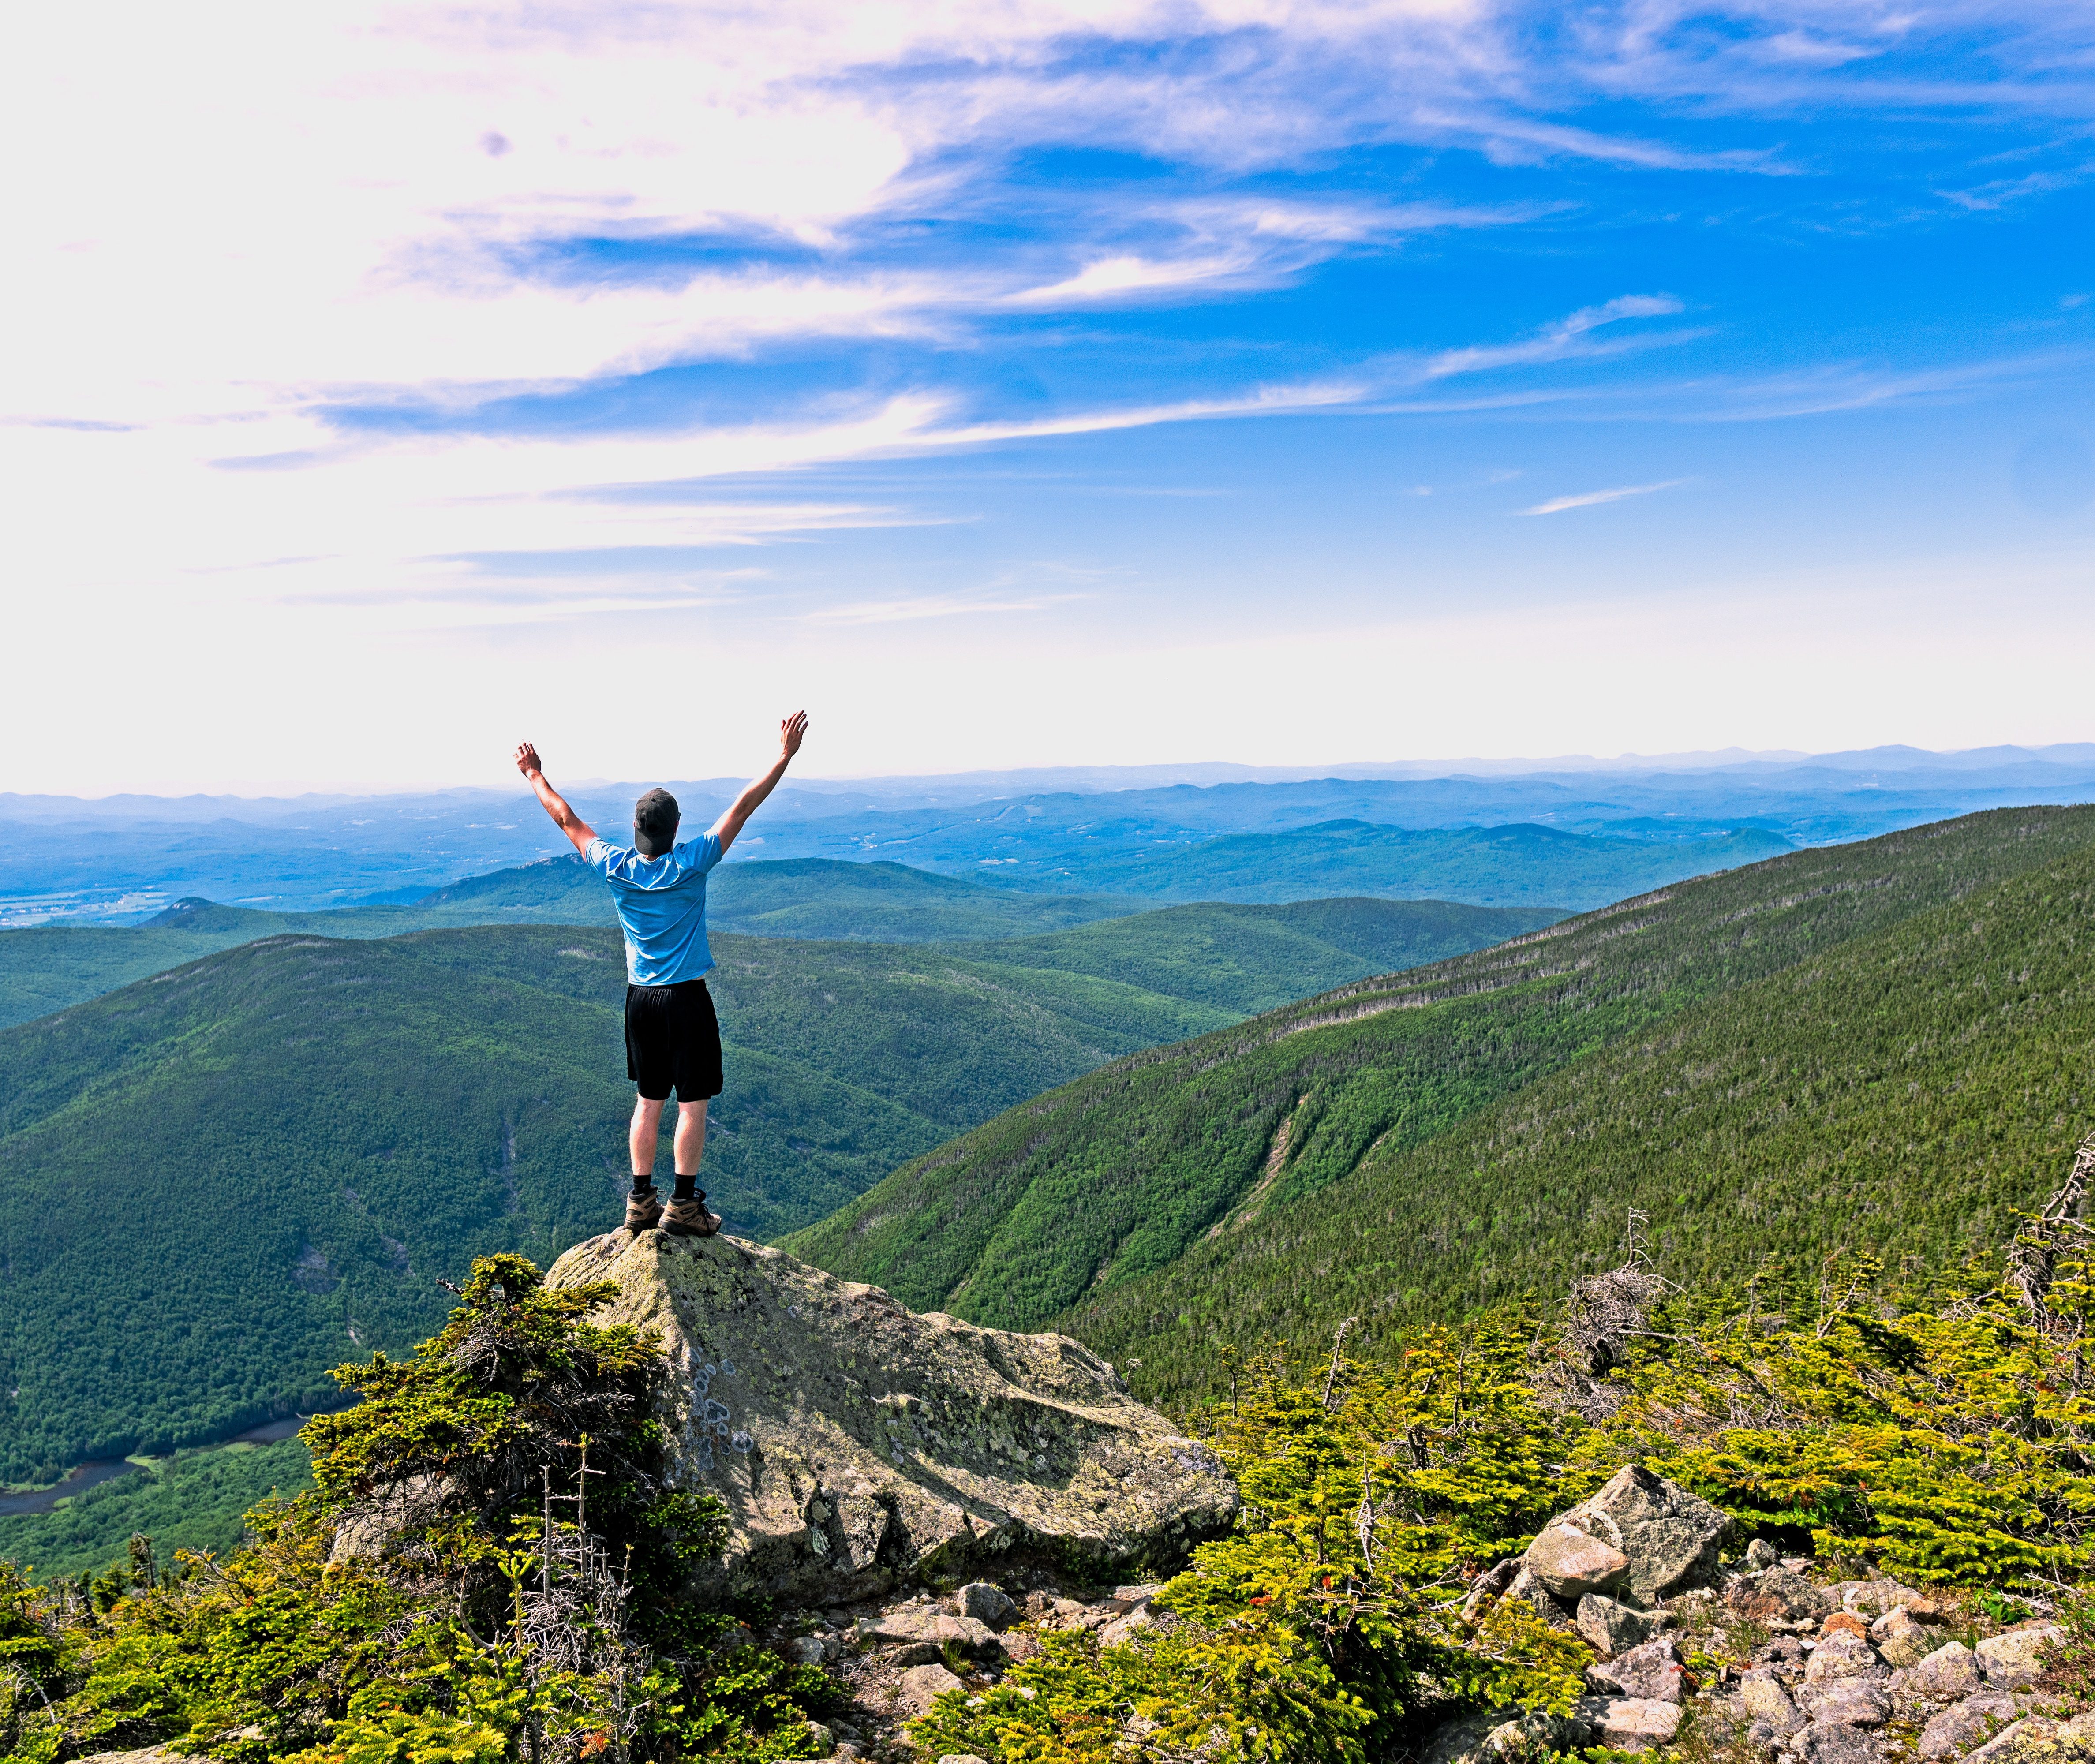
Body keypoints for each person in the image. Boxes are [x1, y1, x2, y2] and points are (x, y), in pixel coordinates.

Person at [513, 713, 809, 1237]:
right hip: (687, 1000)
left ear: (636, 830)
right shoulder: (691, 863)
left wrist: (534, 773)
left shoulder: (615, 866)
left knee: (648, 1102)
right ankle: (683, 1205)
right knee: (692, 1104)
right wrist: (783, 754)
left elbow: (566, 819)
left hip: (641, 1001)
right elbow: (742, 807)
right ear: (674, 830)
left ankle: (639, 1201)